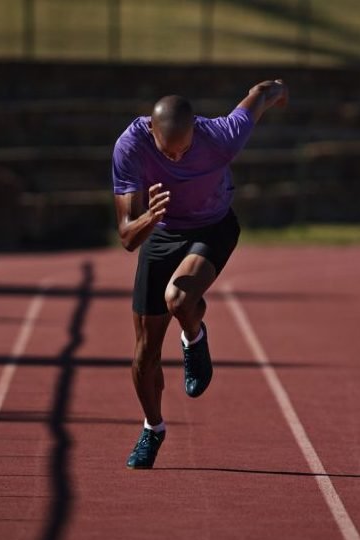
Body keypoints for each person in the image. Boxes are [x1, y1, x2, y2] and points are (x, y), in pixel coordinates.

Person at [112, 79, 289, 469]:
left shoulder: (222, 136)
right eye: (166, 151)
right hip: (159, 231)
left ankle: (194, 337)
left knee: (178, 297)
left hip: (213, 226)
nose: (175, 159)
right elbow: (127, 237)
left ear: (196, 130)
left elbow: (258, 95)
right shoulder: (130, 146)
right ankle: (152, 428)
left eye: (183, 150)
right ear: (150, 131)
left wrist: (279, 90)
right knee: (145, 355)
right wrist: (149, 217)